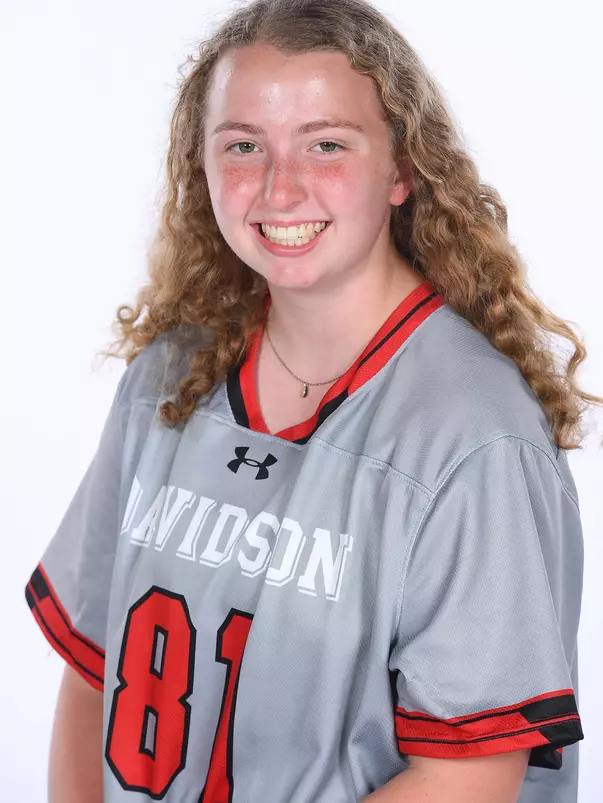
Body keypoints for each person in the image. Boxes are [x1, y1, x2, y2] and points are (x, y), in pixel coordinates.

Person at [25, 1, 602, 801]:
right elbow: (92, 673)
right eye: (243, 146)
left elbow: (465, 774)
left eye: (326, 144)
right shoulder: (166, 378)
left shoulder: (472, 434)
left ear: (402, 169)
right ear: (203, 164)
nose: (279, 186)